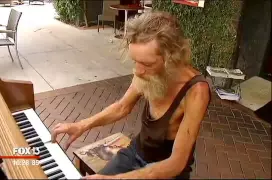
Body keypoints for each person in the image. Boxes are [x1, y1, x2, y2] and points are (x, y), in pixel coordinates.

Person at [51, 11, 211, 179]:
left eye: (147, 64)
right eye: (136, 61)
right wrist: (82, 125)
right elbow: (122, 107)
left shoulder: (196, 91)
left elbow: (176, 164)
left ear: (172, 57)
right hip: (136, 152)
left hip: (166, 171)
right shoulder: (145, 71)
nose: (138, 71)